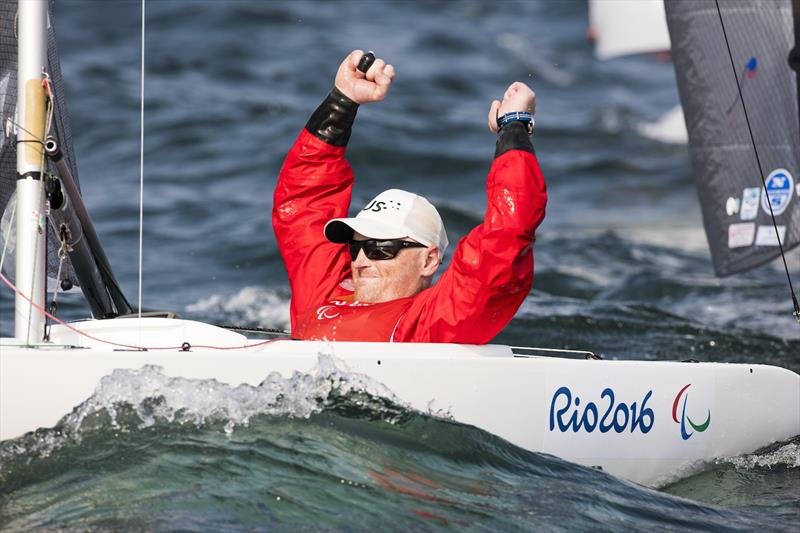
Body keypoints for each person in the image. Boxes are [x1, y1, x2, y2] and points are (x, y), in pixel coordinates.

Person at [273, 50, 546, 343]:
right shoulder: (323, 291)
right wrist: (341, 102)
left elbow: (506, 237)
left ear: (429, 260)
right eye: (356, 248)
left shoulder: (433, 322)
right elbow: (303, 201)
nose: (361, 261)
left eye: (382, 249)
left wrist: (514, 127)